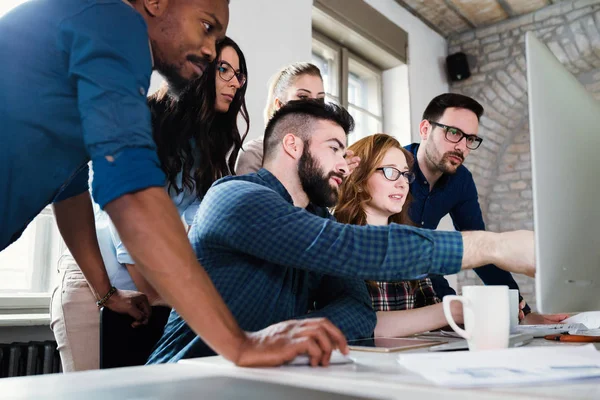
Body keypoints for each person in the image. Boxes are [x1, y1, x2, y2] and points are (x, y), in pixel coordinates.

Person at [1, 0, 347, 368]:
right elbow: (132, 200)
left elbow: (68, 188)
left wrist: (106, 292)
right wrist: (240, 344)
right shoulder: (113, 23)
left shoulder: (93, 42)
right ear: (155, 3)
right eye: (206, 26)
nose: (210, 50)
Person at [148, 100, 536, 365]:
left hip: (256, 380)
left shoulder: (319, 219)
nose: (344, 164)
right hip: (183, 380)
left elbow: (357, 311)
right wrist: (491, 245)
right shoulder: (235, 197)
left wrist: (300, 332)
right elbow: (347, 247)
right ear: (292, 144)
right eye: (334, 148)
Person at [50, 36, 250, 371]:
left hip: (145, 296)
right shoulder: (144, 122)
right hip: (94, 287)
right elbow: (125, 225)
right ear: (200, 72)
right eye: (224, 70)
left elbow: (197, 225)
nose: (235, 82)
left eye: (240, 75)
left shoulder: (201, 149)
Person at [406, 93, 567, 324]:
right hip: (380, 291)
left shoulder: (460, 180)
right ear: (425, 129)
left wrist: (521, 311)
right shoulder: (391, 170)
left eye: (470, 139)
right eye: (453, 133)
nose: (462, 147)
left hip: (427, 287)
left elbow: (481, 246)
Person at [334, 134, 463, 336]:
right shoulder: (335, 241)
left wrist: (480, 311)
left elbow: (433, 311)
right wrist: (454, 310)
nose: (403, 184)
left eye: (404, 174)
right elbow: (359, 324)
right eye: (390, 172)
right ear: (358, 180)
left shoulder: (410, 242)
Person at [236, 62, 360, 175]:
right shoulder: (254, 153)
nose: (314, 106)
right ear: (279, 105)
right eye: (303, 96)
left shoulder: (329, 158)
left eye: (320, 100)